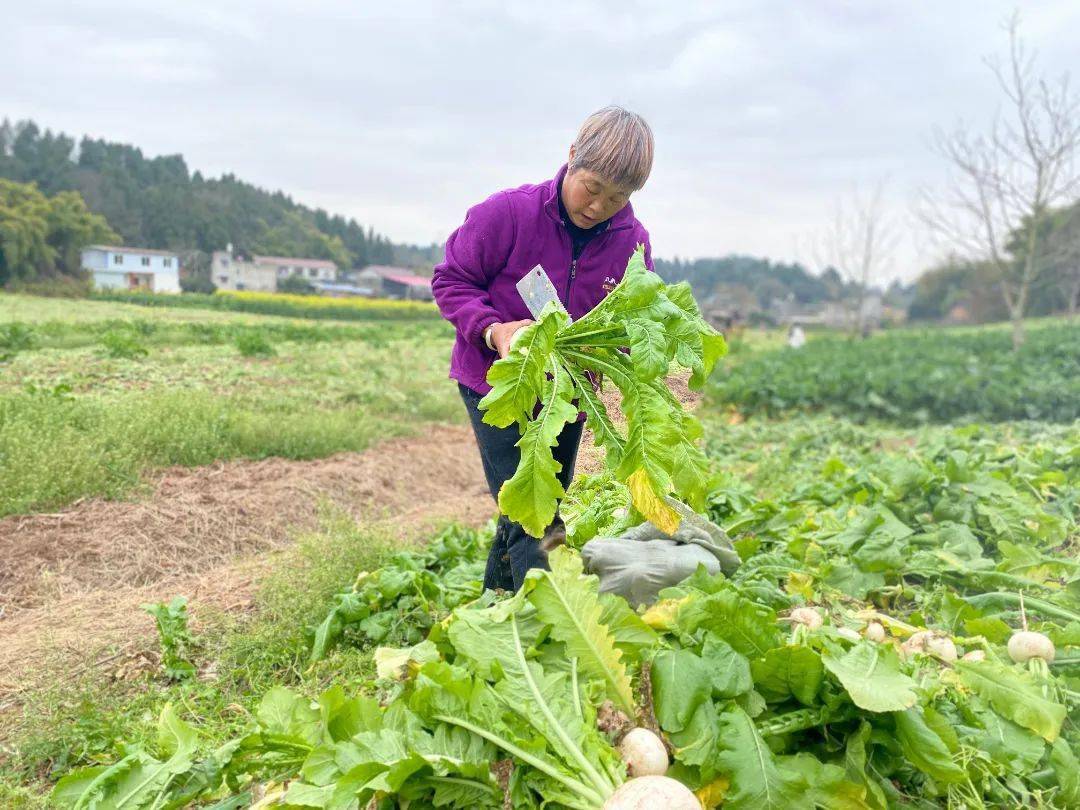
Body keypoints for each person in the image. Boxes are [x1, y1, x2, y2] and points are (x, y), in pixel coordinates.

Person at [432, 106, 655, 592]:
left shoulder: (632, 244)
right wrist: (494, 330)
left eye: (616, 198)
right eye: (592, 188)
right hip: (499, 385)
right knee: (538, 519)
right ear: (572, 157)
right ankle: (547, 620)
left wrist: (626, 355)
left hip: (567, 396)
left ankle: (496, 612)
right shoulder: (509, 213)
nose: (598, 207)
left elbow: (637, 320)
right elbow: (451, 279)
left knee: (528, 507)